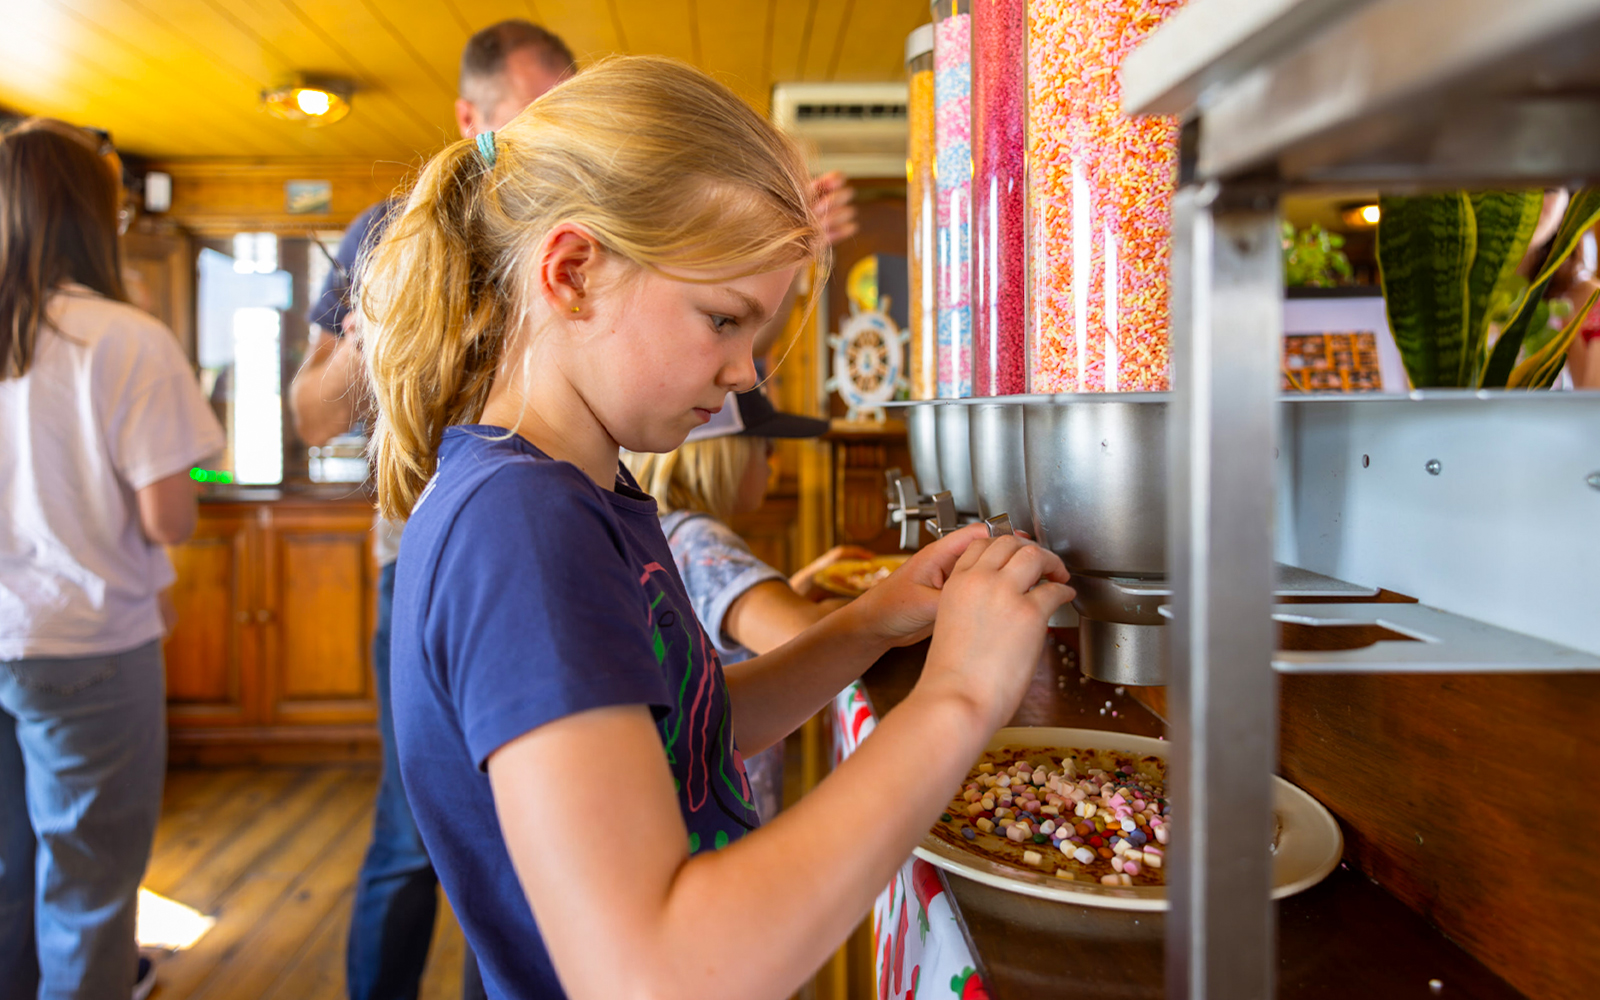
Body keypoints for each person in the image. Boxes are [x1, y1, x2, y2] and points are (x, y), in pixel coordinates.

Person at [360, 55, 1073, 999]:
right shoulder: (523, 528)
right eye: (723, 319)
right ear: (573, 272)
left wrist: (871, 623)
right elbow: (656, 972)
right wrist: (961, 695)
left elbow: (693, 727)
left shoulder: (586, 490)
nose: (749, 375)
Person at [288, 20, 576, 1000]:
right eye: (541, 114)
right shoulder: (385, 231)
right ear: (472, 116)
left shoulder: (573, 227)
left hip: (550, 550)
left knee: (532, 840)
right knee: (414, 828)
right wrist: (378, 338)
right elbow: (310, 413)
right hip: (420, 557)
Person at [0, 119, 224, 1000]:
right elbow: (170, 518)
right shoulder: (127, 341)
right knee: (90, 889)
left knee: (9, 875)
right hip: (92, 646)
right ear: (95, 217)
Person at [624, 387, 873, 821]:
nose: (772, 464)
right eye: (766, 448)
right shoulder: (706, 540)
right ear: (726, 456)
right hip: (727, 793)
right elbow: (807, 636)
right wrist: (876, 597)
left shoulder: (670, 531)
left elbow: (718, 623)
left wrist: (797, 585)